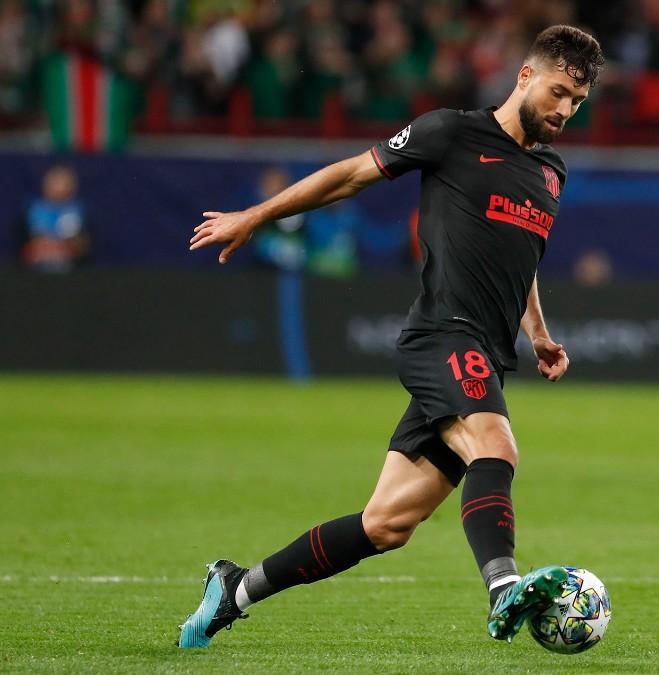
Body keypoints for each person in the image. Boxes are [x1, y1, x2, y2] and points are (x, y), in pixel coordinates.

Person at [178, 25, 604, 648]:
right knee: (497, 447)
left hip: (486, 352)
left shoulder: (550, 172)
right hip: (441, 336)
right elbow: (350, 175)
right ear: (524, 76)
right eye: (560, 92)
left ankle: (235, 588)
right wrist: (255, 216)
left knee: (386, 524)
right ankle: (503, 587)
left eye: (578, 102)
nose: (566, 110)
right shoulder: (451, 133)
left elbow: (523, 257)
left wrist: (537, 331)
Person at [21, 164, 87, 273]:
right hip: (35, 271)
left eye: (62, 183)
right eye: (54, 182)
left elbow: (83, 246)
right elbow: (23, 244)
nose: (58, 188)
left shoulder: (79, 211)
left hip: (71, 271)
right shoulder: (32, 209)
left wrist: (65, 247)